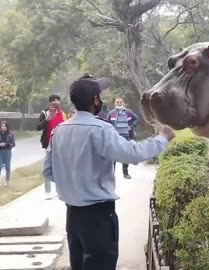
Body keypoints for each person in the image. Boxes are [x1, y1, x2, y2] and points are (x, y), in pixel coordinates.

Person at [42, 73, 175, 270]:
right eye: (99, 95)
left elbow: (48, 171)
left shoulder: (58, 131)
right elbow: (133, 154)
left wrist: (73, 184)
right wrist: (163, 137)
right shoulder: (100, 130)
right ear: (95, 100)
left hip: (73, 217)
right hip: (98, 216)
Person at [37, 94, 68, 199]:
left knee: (59, 167)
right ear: (50, 102)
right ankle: (47, 192)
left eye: (57, 100)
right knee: (47, 167)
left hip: (60, 144)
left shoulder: (63, 114)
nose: (56, 102)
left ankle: (59, 190)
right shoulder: (44, 112)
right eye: (53, 100)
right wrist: (47, 119)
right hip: (48, 144)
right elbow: (38, 127)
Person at [106, 98, 140, 179]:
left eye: (120, 102)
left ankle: (125, 173)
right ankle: (111, 174)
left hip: (126, 136)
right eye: (117, 102)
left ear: (123, 103)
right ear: (115, 104)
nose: (119, 103)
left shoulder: (128, 112)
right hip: (115, 138)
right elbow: (107, 123)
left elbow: (137, 119)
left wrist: (132, 126)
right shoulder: (111, 113)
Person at [0, 121, 15, 187]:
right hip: (0, 151)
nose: (4, 127)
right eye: (2, 126)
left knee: (7, 167)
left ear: (7, 127)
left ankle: (7, 182)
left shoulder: (10, 134)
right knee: (0, 166)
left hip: (7, 151)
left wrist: (7, 144)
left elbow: (13, 144)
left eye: (5, 126)